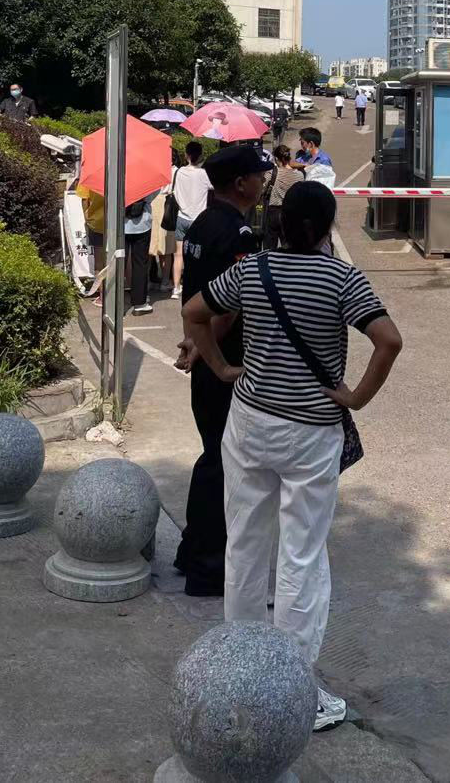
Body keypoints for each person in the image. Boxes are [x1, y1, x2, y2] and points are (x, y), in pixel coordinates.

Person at [180, 181, 402, 731]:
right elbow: (389, 340)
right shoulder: (341, 278)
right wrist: (357, 396)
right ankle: (293, 689)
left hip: (250, 422)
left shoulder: (252, 270)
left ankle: (239, 670)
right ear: (327, 226)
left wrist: (220, 367)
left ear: (279, 224)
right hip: (311, 433)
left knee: (245, 543)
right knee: (301, 556)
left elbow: (193, 311)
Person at [173, 144, 266, 596]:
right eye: (258, 175)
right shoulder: (240, 233)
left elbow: (192, 296)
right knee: (224, 463)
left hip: (204, 353)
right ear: (240, 183)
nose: (263, 181)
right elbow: (228, 307)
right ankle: (208, 568)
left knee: (212, 454)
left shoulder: (203, 224)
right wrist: (215, 357)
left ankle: (191, 551)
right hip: (225, 360)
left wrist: (193, 344)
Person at [171, 141, 213, 300]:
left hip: (181, 217)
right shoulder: (203, 174)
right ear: (200, 154)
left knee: (178, 255)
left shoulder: (179, 172)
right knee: (198, 254)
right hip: (199, 220)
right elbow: (212, 187)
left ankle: (175, 288)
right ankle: (197, 285)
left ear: (187, 154)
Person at [263, 144, 302, 251]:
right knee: (289, 246)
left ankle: (269, 266)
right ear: (289, 157)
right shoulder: (299, 175)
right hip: (290, 213)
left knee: (269, 247)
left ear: (276, 158)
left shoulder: (271, 173)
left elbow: (262, 189)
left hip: (273, 212)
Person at [124, 192, 157, 314]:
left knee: (118, 263)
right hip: (142, 224)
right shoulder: (146, 175)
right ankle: (139, 303)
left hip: (120, 224)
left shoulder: (116, 174)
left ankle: (115, 303)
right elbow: (154, 193)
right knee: (140, 264)